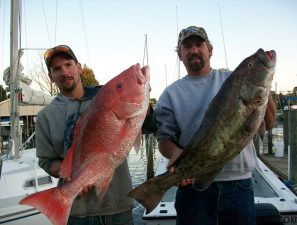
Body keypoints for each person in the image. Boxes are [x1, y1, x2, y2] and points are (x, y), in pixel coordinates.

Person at [154, 26, 276, 225]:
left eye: (199, 44)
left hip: (239, 185)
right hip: (193, 189)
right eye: (187, 47)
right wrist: (177, 156)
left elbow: (268, 124)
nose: (194, 50)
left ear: (210, 49)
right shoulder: (170, 94)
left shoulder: (234, 79)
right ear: (180, 55)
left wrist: (265, 89)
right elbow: (164, 140)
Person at [36, 45, 155, 225]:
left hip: (118, 207)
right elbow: (46, 161)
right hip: (77, 213)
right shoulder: (45, 116)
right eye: (56, 69)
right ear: (51, 77)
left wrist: (144, 103)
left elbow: (150, 127)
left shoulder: (105, 96)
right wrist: (72, 175)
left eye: (68, 65)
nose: (64, 72)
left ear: (79, 67)